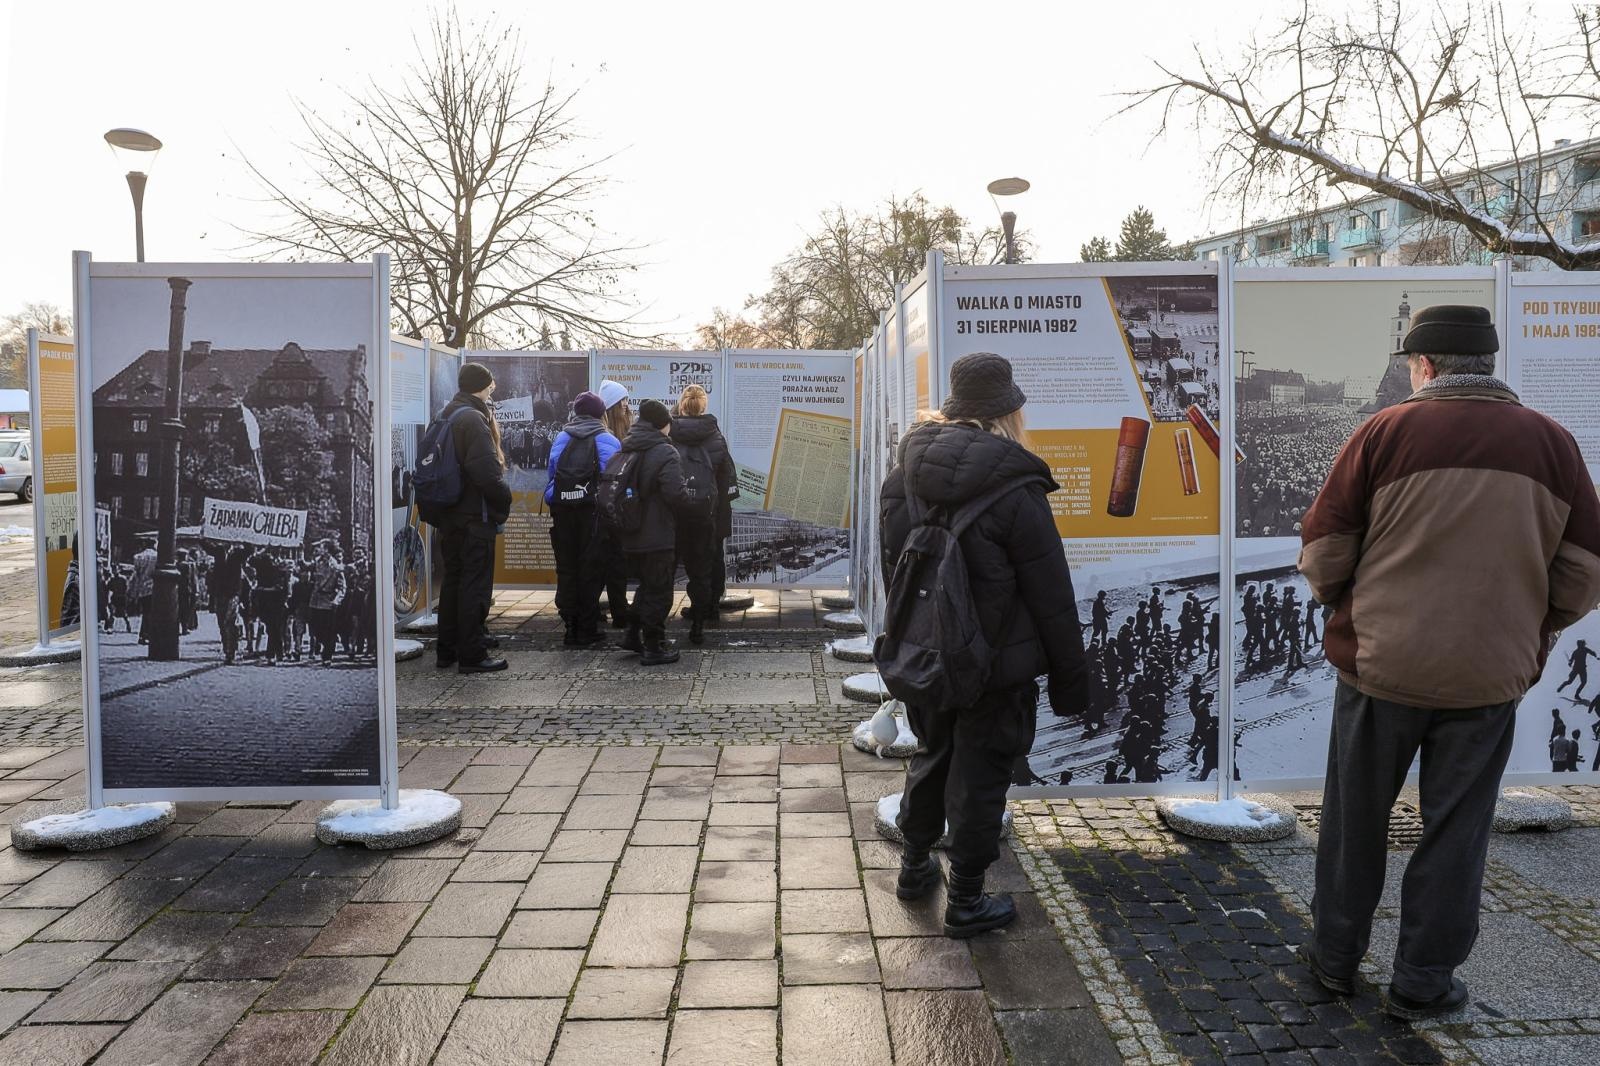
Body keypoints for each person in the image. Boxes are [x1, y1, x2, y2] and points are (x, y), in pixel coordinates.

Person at [1297, 305, 1600, 1020]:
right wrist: (1532, 626)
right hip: (1487, 678)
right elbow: (1584, 572)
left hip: (1381, 667)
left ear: (1424, 365)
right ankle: (1423, 982)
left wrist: (1348, 604)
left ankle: (1335, 962)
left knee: (1354, 821)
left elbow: (1324, 552)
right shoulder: (1553, 444)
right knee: (1457, 832)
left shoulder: (1383, 433)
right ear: (1488, 363)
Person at [879, 352, 1088, 938]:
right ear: (1008, 412)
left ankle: (914, 868)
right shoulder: (1017, 488)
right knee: (982, 774)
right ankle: (966, 901)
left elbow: (896, 570)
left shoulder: (903, 476)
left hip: (928, 652)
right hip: (996, 662)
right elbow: (1050, 593)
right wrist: (1072, 681)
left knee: (931, 755)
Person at [421, 362, 514, 674]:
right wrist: (505, 498)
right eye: (490, 386)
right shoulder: (473, 419)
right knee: (474, 586)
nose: (492, 391)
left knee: (453, 583)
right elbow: (486, 473)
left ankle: (446, 650)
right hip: (474, 515)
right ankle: (472, 655)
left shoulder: (445, 414)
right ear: (483, 386)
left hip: (448, 513)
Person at [609, 399, 696, 665]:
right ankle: (654, 646)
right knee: (659, 590)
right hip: (657, 533)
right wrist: (691, 504)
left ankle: (632, 635)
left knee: (646, 587)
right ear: (662, 424)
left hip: (631, 532)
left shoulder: (628, 445)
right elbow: (674, 493)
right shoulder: (665, 451)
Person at [545, 390, 620, 647]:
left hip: (563, 510)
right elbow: (613, 479)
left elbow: (552, 473)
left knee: (567, 567)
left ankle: (570, 626)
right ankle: (587, 628)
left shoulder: (561, 437)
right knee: (591, 568)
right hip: (592, 513)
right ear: (601, 414)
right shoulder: (608, 439)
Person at [670, 385, 736, 645]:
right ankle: (707, 610)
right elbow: (725, 477)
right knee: (709, 562)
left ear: (682, 405)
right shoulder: (715, 436)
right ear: (703, 406)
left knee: (670, 564)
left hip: (677, 511)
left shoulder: (670, 434)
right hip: (709, 511)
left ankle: (656, 622)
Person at [598, 380, 634, 629]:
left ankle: (617, 608)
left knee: (613, 561)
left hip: (609, 508)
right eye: (623, 402)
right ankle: (619, 611)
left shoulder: (620, 433)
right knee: (613, 562)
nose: (627, 406)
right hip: (609, 509)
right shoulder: (609, 439)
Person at [309, 540, 347, 666]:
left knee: (329, 630)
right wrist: (300, 551)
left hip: (328, 601)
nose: (319, 549)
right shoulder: (317, 562)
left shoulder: (336, 566)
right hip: (315, 601)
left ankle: (327, 656)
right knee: (316, 628)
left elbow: (342, 587)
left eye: (321, 547)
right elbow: (305, 566)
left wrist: (336, 601)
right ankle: (324, 644)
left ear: (327, 550)